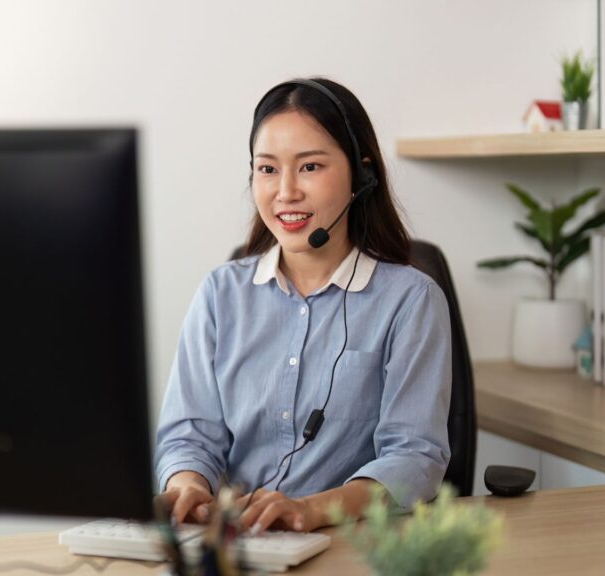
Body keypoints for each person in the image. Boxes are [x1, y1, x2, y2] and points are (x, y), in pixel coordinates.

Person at [154, 78, 452, 534]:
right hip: (238, 544)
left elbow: (415, 457)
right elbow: (189, 435)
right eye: (267, 169)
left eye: (309, 167)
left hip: (350, 543)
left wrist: (310, 510)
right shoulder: (220, 294)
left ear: (362, 173)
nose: (285, 192)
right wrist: (187, 484)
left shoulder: (411, 301)